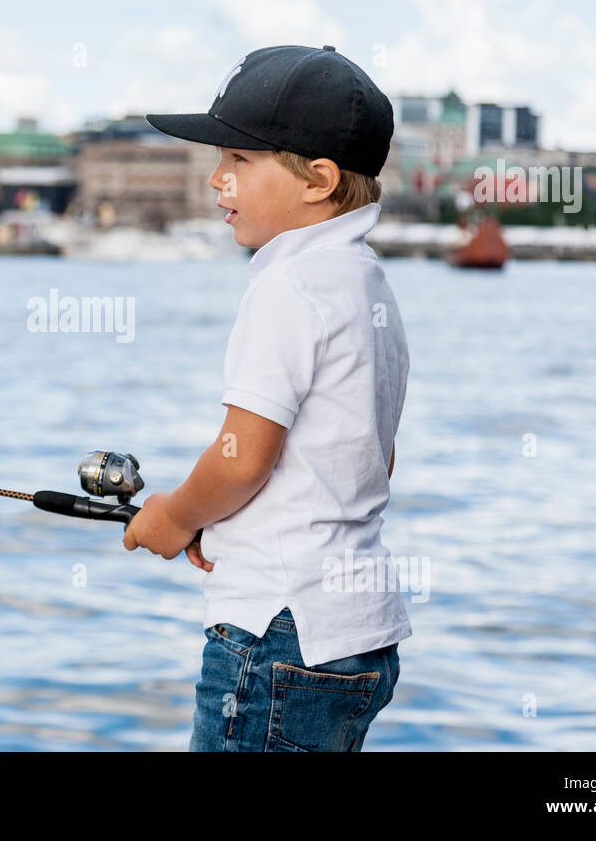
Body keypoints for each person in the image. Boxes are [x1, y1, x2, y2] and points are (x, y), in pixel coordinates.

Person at [126, 45, 411, 751]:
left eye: (239, 162)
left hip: (276, 634)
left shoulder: (286, 286)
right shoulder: (366, 283)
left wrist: (173, 516)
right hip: (354, 635)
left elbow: (241, 461)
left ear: (317, 180)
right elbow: (376, 458)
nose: (217, 181)